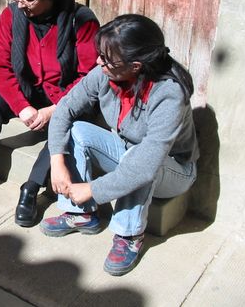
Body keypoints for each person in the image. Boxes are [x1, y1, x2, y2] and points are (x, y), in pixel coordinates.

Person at [41, 14, 199, 276]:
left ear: (135, 66)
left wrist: (93, 188)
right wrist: (57, 159)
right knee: (78, 130)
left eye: (106, 58)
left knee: (138, 158)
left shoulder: (168, 93)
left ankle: (129, 235)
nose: (98, 61)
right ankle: (80, 213)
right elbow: (64, 110)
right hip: (129, 150)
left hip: (174, 170)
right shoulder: (105, 75)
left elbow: (147, 164)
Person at [0, 0, 100, 228]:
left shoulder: (80, 21)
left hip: (65, 96)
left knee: (66, 125)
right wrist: (22, 106)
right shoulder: (11, 16)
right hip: (27, 90)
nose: (20, 2)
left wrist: (55, 110)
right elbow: (1, 68)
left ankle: (32, 187)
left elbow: (88, 78)